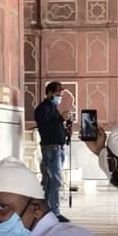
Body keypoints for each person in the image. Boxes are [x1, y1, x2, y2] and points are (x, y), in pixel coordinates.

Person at [34, 81, 70, 220]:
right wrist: (61, 118)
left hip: (58, 148)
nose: (59, 98)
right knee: (54, 180)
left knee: (52, 181)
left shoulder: (53, 108)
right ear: (49, 93)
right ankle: (53, 212)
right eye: (57, 95)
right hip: (51, 148)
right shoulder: (42, 109)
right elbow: (46, 127)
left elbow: (55, 125)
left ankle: (49, 211)